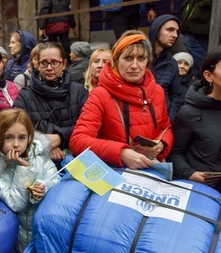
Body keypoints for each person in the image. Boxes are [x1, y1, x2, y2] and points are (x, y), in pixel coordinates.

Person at [70, 30, 173, 170]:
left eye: (141, 58)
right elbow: (78, 141)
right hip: (116, 171)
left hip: (150, 168)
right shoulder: (100, 95)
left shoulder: (157, 91)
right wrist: (122, 153)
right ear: (116, 61)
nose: (135, 65)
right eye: (128, 58)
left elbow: (166, 128)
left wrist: (162, 144)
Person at [167, 45, 221, 199]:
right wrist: (190, 174)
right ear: (209, 75)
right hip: (199, 194)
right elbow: (175, 153)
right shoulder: (190, 111)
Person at [0, 108, 61, 253]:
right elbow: (16, 204)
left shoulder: (39, 154)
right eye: (9, 137)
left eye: (22, 137)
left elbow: (56, 179)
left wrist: (43, 188)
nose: (16, 144)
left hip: (44, 228)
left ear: (29, 137)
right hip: (19, 235)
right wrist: (24, 167)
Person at [13, 42, 88, 168]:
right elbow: (15, 130)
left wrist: (60, 137)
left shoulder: (79, 91)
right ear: (37, 64)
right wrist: (46, 144)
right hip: (39, 166)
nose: (49, 67)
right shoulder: (25, 96)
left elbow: (88, 126)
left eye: (54, 62)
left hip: (77, 163)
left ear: (64, 64)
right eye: (44, 63)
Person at [148, 14, 182, 122]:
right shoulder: (139, 57)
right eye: (170, 30)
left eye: (177, 31)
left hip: (162, 122)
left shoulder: (172, 62)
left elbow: (175, 95)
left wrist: (169, 120)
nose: (175, 35)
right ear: (156, 31)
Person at [180, 0, 211, 79]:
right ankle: (205, 70)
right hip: (193, 17)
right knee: (193, 42)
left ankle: (206, 69)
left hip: (203, 18)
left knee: (197, 43)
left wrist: (203, 3)